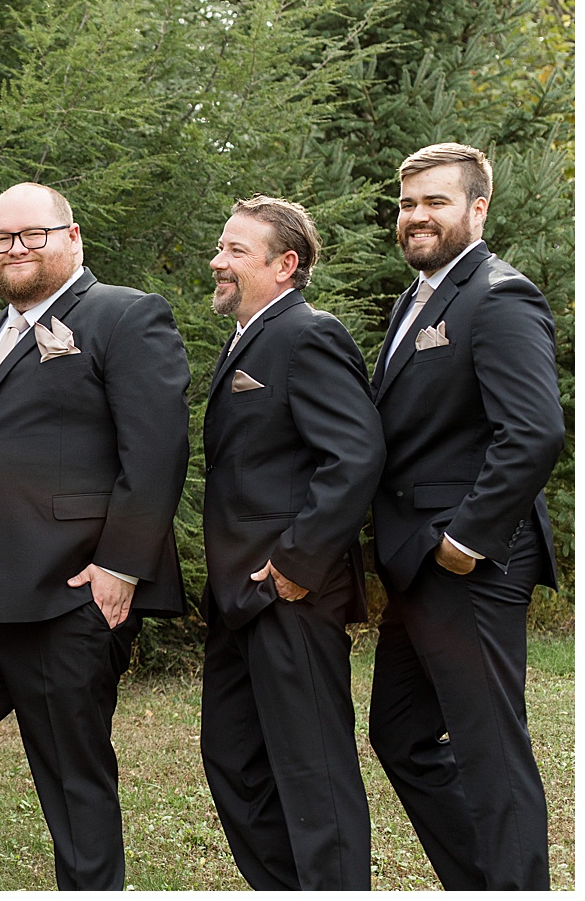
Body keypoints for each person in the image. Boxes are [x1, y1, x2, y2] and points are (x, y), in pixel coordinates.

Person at [0, 181, 188, 891]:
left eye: (32, 234)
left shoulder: (124, 315)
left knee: (70, 772)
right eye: (0, 239)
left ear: (72, 236)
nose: (14, 249)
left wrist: (121, 564)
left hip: (67, 592)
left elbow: (157, 451)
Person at [367, 142, 565, 890]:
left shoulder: (498, 295)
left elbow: (535, 431)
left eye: (435, 201)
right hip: (419, 562)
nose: (416, 216)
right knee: (401, 731)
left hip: (471, 564)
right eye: (407, 202)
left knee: (489, 752)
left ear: (477, 208)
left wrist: (464, 538)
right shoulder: (412, 301)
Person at [199, 195, 382, 889]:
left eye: (236, 251)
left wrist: (293, 567)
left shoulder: (308, 333)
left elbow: (356, 455)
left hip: (289, 595)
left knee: (316, 776)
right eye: (221, 247)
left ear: (286, 264)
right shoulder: (245, 336)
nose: (218, 261)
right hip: (239, 599)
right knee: (234, 764)